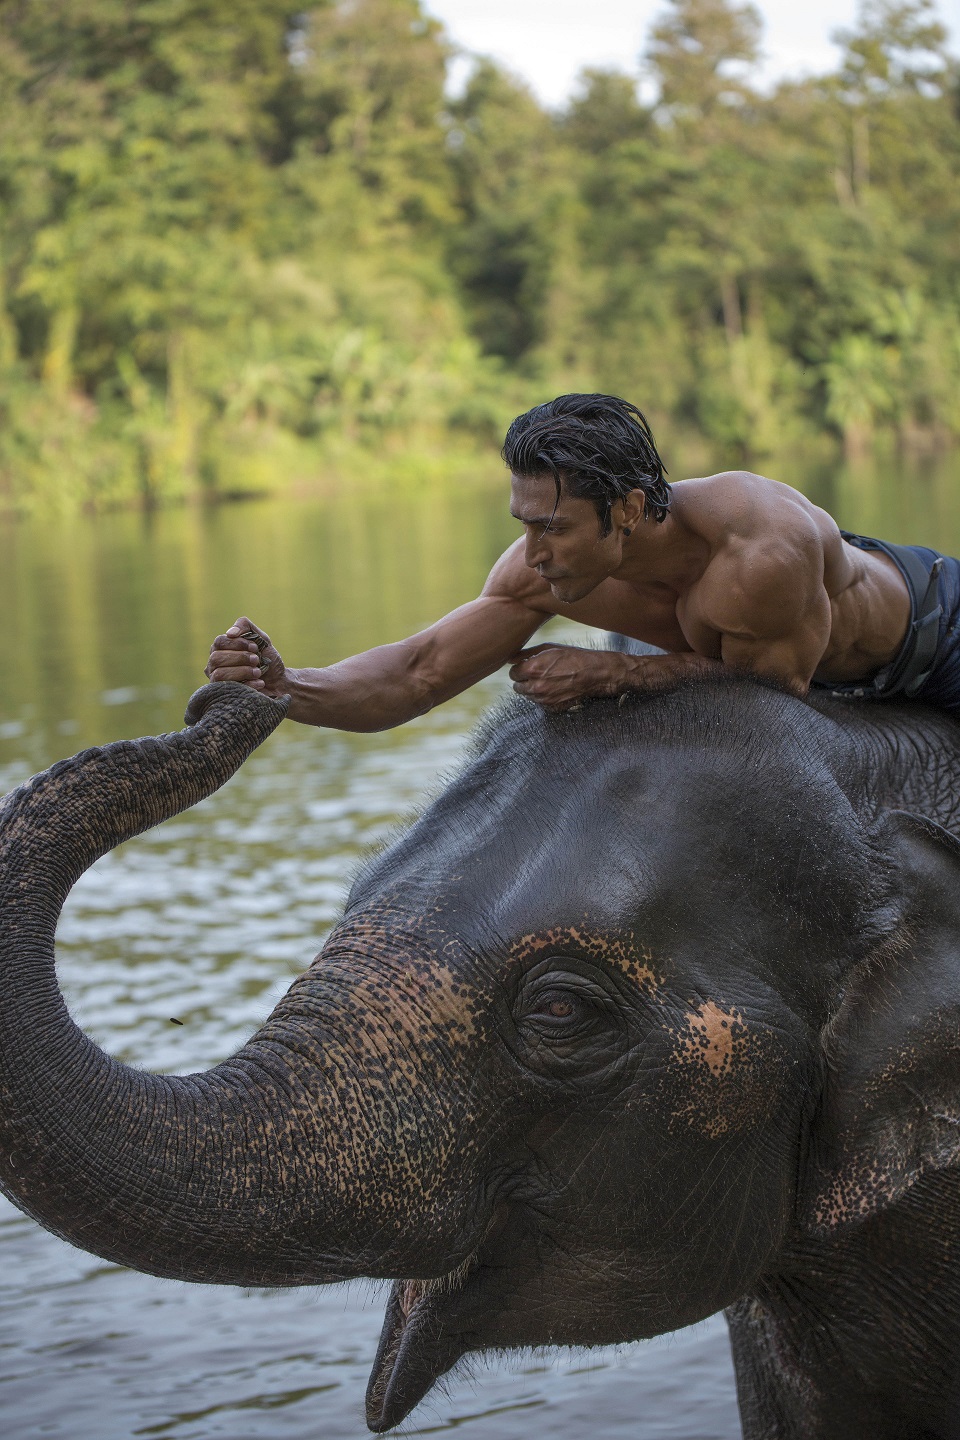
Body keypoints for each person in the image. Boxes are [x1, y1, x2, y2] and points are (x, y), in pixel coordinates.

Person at [204, 392, 960, 725]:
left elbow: (779, 689)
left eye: (554, 529)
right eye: (524, 524)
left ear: (628, 510)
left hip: (933, 640)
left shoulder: (756, 550)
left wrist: (617, 673)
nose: (532, 554)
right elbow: (419, 673)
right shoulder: (541, 570)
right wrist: (287, 686)